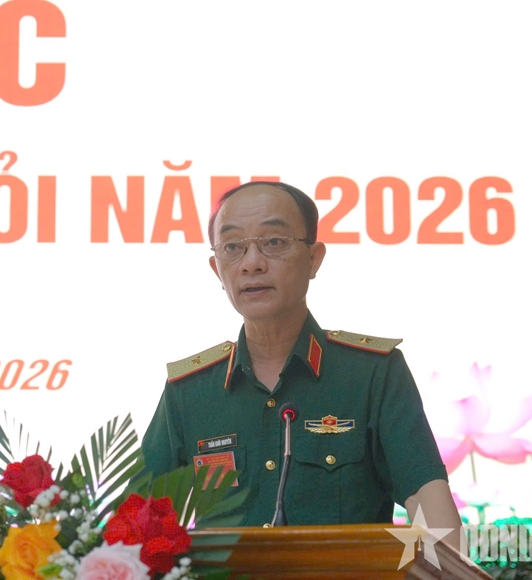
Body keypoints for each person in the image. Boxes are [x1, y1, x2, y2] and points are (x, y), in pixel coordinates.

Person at [141, 181, 461, 544]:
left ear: (314, 258)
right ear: (217, 269)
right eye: (232, 247)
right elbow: (137, 522)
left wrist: (444, 562)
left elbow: (431, 508)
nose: (251, 263)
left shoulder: (371, 374)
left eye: (274, 242)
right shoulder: (190, 392)